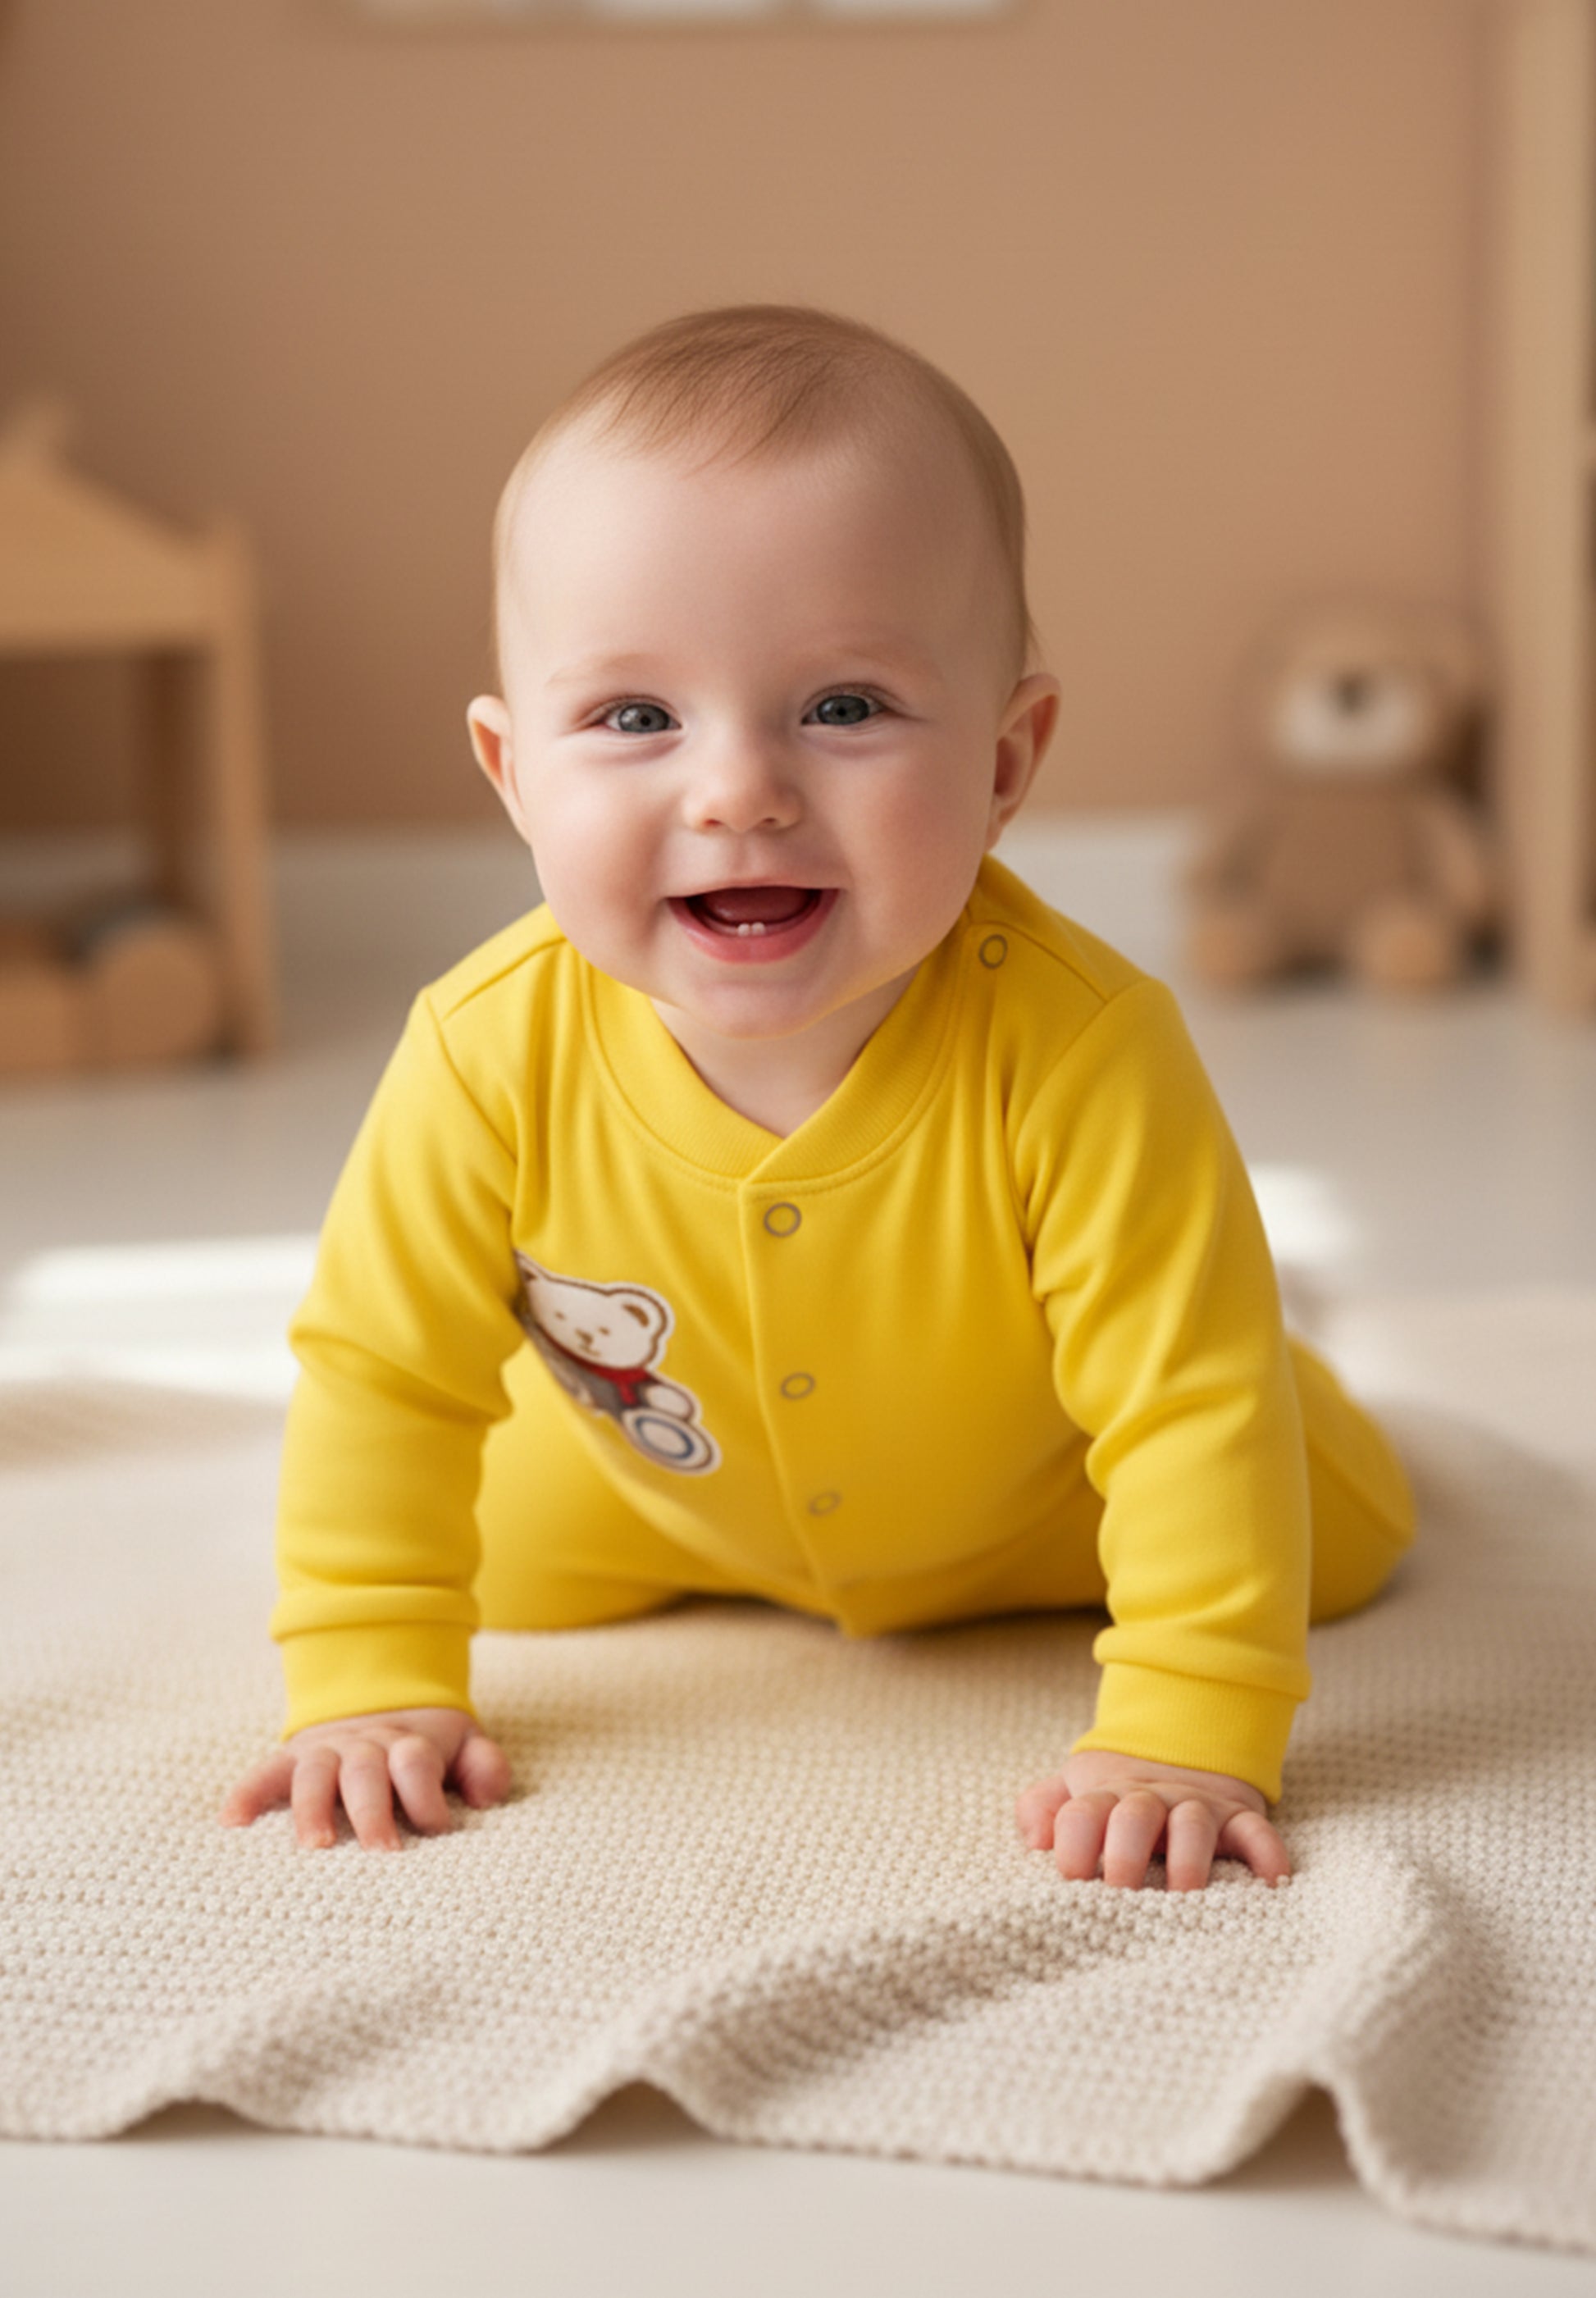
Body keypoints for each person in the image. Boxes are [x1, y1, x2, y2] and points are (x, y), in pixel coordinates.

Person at [221, 304, 1415, 1890]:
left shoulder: (1083, 1048)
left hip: (1046, 1502)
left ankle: (1299, 1353)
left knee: (1338, 1521)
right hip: (649, 1488)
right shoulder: (481, 1047)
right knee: (454, 1536)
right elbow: (384, 1372)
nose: (738, 789)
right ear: (513, 777)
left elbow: (1186, 1407)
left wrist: (1191, 1717)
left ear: (1004, 760)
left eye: (842, 707)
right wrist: (368, 1673)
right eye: (635, 717)